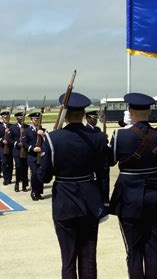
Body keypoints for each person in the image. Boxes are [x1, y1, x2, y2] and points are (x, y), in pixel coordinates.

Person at [38, 92, 108, 279]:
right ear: (84, 114)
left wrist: (40, 161)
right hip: (90, 201)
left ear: (66, 114)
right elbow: (103, 174)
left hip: (65, 202)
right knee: (88, 257)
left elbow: (44, 177)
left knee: (68, 258)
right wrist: (104, 202)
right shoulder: (97, 137)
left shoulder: (53, 139)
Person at [108, 92, 157, 279]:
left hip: (128, 198)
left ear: (130, 111)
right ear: (149, 112)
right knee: (154, 249)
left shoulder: (120, 135)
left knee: (134, 250)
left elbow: (111, 161)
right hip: (154, 195)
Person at [23, 112, 45, 200]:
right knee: (34, 173)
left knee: (40, 174)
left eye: (38, 119)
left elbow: (46, 141)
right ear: (31, 120)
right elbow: (24, 143)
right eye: (35, 119)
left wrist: (43, 135)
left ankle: (39, 192)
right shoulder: (27, 130)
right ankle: (34, 192)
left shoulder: (42, 129)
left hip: (41, 155)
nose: (37, 121)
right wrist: (32, 148)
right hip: (32, 156)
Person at [10, 112, 29, 192]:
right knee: (18, 167)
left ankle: (24, 185)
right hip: (17, 151)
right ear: (17, 119)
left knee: (25, 168)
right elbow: (10, 139)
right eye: (19, 118)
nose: (21, 119)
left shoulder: (27, 127)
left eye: (22, 117)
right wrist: (17, 143)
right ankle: (17, 183)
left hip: (25, 151)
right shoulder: (13, 128)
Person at [0, 110, 14, 185]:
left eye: (8, 117)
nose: (6, 118)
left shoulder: (12, 126)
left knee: (10, 163)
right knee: (4, 163)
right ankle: (5, 178)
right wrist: (2, 140)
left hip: (10, 147)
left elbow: (15, 137)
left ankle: (9, 178)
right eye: (5, 117)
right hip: (2, 147)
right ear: (2, 118)